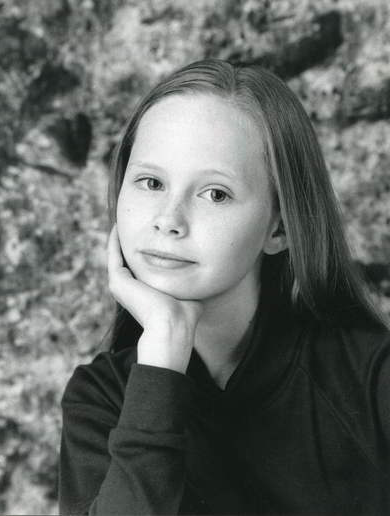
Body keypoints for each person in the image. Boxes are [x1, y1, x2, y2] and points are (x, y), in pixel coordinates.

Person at [58, 58, 390, 515]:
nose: (168, 220)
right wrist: (162, 359)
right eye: (150, 182)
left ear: (280, 228)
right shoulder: (101, 398)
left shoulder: (371, 376)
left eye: (215, 193)